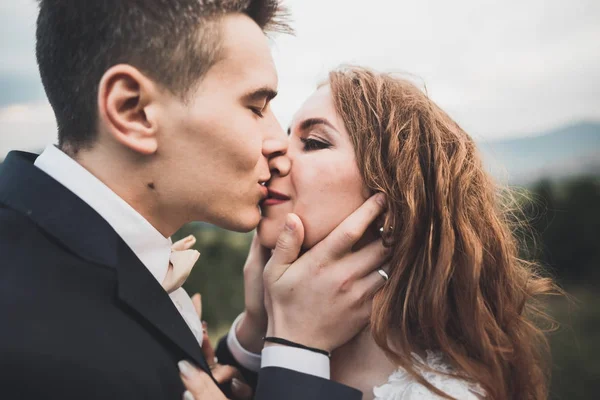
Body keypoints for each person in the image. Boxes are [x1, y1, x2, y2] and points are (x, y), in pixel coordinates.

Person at [0, 2, 390, 399]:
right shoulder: (37, 347)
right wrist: (297, 350)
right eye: (256, 107)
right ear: (132, 111)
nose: (279, 144)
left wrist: (253, 339)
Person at [183, 67, 558, 400]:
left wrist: (296, 347)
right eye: (286, 135)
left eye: (313, 142)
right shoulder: (273, 339)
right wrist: (257, 325)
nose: (275, 151)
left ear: (396, 198)